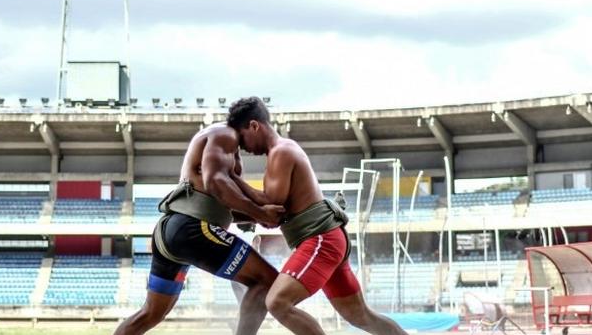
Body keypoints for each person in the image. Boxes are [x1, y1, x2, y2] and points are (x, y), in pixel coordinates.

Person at [226, 97, 408, 335]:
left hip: (321, 239)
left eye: (242, 139)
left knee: (277, 302)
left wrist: (233, 180)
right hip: (327, 238)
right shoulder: (280, 153)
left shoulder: (282, 151)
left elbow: (272, 207)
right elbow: (269, 214)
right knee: (360, 315)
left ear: (254, 126)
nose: (243, 147)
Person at [114, 123, 285, 335]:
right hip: (192, 229)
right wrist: (259, 211)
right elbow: (216, 182)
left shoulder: (222, 145)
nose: (259, 148)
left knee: (151, 314)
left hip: (174, 230)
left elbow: (219, 206)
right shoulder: (225, 135)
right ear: (251, 125)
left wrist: (257, 216)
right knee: (265, 280)